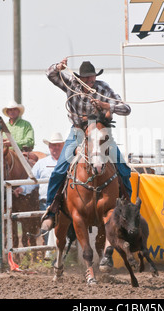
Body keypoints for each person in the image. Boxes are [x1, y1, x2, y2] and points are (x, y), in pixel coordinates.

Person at [43, 58, 133, 269]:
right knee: (59, 170)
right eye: (86, 77)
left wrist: (106, 105)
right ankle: (52, 209)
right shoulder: (71, 85)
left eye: (92, 76)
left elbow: (126, 108)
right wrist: (58, 66)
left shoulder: (103, 89)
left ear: (95, 77)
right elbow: (51, 75)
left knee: (123, 168)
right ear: (80, 78)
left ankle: (127, 206)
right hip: (78, 132)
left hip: (101, 133)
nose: (90, 80)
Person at [13, 132, 65, 244]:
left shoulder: (68, 162)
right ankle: (49, 252)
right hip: (46, 202)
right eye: (52, 145)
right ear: (49, 147)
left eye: (58, 145)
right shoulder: (41, 163)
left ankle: (61, 254)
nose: (55, 148)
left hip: (66, 202)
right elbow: (32, 181)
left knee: (63, 228)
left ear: (63, 146)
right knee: (46, 228)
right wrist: (22, 189)